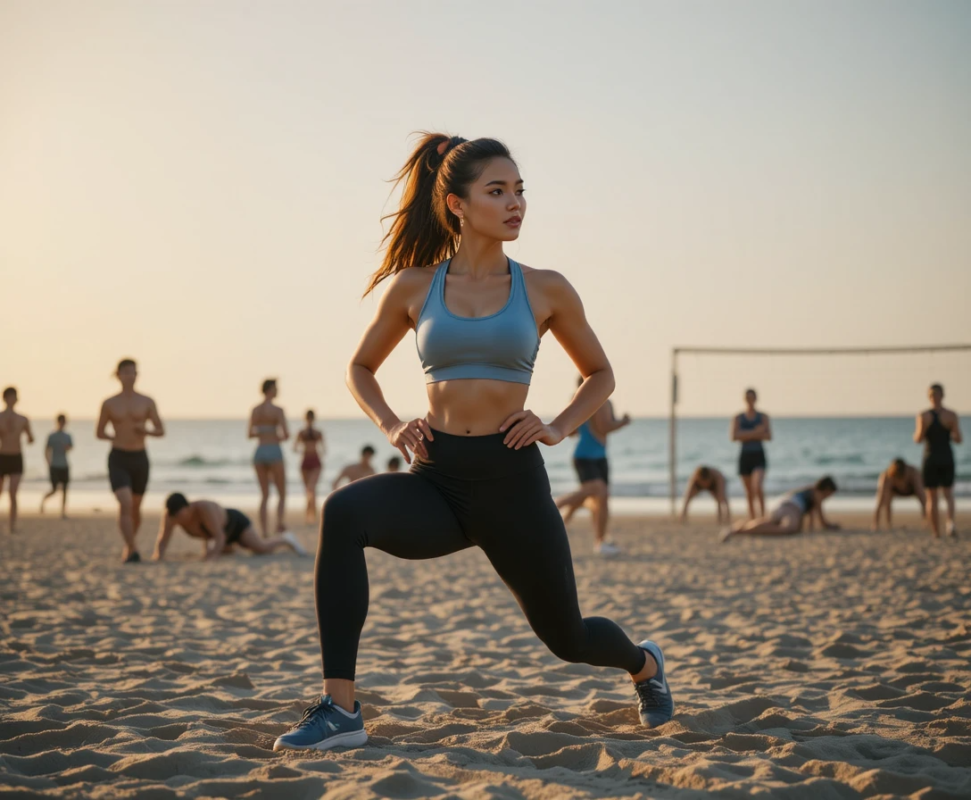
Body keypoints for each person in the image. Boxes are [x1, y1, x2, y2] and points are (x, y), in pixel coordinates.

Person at [274, 133, 672, 754]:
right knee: (343, 511)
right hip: (437, 480)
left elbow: (601, 374)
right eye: (497, 191)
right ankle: (341, 709)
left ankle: (644, 666)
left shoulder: (546, 287)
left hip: (511, 482)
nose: (515, 203)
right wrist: (391, 424)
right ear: (457, 205)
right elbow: (360, 369)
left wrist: (559, 425)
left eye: (519, 191)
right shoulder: (414, 287)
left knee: (567, 638)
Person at [96, 359, 165, 562]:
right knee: (124, 502)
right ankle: (132, 548)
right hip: (118, 456)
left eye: (133, 372)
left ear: (137, 375)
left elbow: (161, 430)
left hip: (140, 457)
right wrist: (115, 437)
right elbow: (99, 432)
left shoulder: (146, 401)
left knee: (135, 506)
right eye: (126, 372)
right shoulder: (109, 403)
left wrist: (146, 431)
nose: (130, 376)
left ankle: (129, 545)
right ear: (118, 375)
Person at [554, 378, 631, 555]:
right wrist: (624, 422)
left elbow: (571, 432)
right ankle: (556, 504)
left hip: (594, 456)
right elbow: (604, 428)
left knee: (599, 499)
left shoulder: (577, 402)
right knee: (598, 492)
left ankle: (600, 541)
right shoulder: (602, 401)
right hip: (587, 457)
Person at [153, 493, 307, 561]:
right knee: (227, 551)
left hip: (235, 523)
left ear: (188, 506)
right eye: (176, 517)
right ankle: (231, 548)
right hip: (220, 536)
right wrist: (158, 556)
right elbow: (163, 538)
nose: (179, 520)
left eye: (181, 515)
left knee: (260, 548)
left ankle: (285, 539)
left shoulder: (204, 509)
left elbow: (219, 536)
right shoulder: (171, 517)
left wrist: (210, 557)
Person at [721, 476, 838, 542]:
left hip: (781, 505)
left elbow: (811, 512)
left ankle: (739, 527)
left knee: (770, 522)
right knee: (787, 528)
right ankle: (742, 530)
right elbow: (819, 515)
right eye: (829, 494)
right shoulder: (816, 493)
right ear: (826, 489)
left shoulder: (809, 491)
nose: (828, 497)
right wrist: (828, 526)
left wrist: (809, 527)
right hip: (790, 507)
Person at [915, 383, 962, 538]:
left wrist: (922, 430)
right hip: (946, 456)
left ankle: (936, 532)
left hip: (931, 457)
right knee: (947, 494)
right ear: (942, 395)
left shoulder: (924, 416)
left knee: (932, 497)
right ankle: (950, 524)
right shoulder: (951, 415)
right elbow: (958, 438)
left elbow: (918, 438)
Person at [249, 379, 289, 537]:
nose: (278, 391)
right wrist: (273, 434)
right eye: (276, 388)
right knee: (282, 493)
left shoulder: (255, 410)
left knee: (265, 495)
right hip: (274, 451)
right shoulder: (278, 410)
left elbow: (250, 434)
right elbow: (285, 435)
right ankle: (279, 525)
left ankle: (264, 532)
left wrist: (263, 432)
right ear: (270, 390)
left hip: (259, 451)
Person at [731, 388, 771, 519]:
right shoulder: (738, 417)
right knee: (749, 492)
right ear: (745, 399)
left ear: (756, 398)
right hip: (745, 456)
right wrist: (756, 432)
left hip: (758, 455)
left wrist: (746, 434)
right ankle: (752, 517)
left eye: (752, 397)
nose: (750, 400)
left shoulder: (763, 417)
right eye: (748, 397)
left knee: (757, 486)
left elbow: (768, 435)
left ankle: (763, 516)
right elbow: (734, 436)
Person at [0, 387, 34, 534]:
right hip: (2, 457)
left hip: (16, 457)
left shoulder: (23, 419)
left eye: (14, 396)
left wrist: (29, 438)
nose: (11, 399)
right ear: (4, 398)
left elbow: (31, 437)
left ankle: (12, 525)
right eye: (9, 396)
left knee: (13, 493)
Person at [872, 458, 925, 531]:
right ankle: (885, 524)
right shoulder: (887, 475)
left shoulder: (913, 473)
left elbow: (921, 493)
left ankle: (926, 521)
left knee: (923, 498)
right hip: (894, 489)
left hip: (910, 489)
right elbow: (880, 498)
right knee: (884, 500)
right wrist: (875, 524)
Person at [295, 409, 325, 524]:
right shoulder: (302, 432)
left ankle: (312, 515)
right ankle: (309, 515)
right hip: (305, 461)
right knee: (308, 490)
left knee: (311, 488)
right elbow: (295, 447)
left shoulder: (318, 433)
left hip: (315, 461)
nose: (310, 420)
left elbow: (323, 448)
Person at [41, 414, 73, 518]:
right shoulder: (52, 436)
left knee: (64, 489)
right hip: (54, 465)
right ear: (58, 422)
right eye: (61, 421)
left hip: (64, 465)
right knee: (54, 489)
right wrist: (48, 462)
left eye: (64, 422)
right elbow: (46, 450)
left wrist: (66, 447)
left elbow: (70, 448)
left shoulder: (67, 436)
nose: (63, 424)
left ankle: (63, 512)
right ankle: (43, 501)